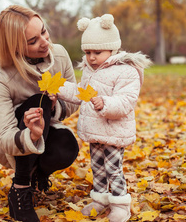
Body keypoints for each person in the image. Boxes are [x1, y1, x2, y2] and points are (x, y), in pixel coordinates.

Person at [0, 5, 80, 222]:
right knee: (37, 102)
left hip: (46, 127)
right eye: (32, 41)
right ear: (14, 47)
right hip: (7, 138)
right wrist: (31, 135)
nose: (45, 42)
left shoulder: (60, 55)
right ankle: (21, 187)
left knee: (68, 146)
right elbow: (5, 135)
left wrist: (55, 107)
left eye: (43, 32)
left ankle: (39, 174)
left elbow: (75, 99)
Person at [56, 14, 152, 222]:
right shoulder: (90, 71)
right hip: (95, 129)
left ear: (112, 48)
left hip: (114, 130)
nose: (91, 57)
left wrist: (105, 104)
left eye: (97, 52)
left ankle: (120, 204)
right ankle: (100, 199)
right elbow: (81, 93)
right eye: (88, 52)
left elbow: (126, 101)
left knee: (113, 168)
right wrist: (58, 88)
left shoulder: (126, 71)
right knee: (97, 167)